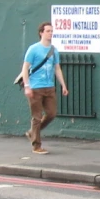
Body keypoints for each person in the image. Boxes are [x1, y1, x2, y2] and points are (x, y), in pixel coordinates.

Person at [22, 22, 69, 154]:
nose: (50, 33)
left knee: (51, 114)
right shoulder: (33, 49)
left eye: (52, 31)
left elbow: (57, 68)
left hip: (49, 87)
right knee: (36, 117)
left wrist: (63, 85)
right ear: (41, 33)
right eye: (48, 31)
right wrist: (27, 86)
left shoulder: (54, 50)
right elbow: (25, 68)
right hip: (35, 87)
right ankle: (36, 146)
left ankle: (32, 132)